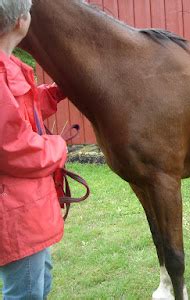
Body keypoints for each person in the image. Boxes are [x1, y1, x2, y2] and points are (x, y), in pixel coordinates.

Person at [0, 0, 68, 298]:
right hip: (14, 211)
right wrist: (58, 147)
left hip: (24, 206)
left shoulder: (9, 66)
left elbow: (20, 109)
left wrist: (56, 91)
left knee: (41, 282)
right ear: (20, 22)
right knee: (26, 292)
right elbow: (12, 147)